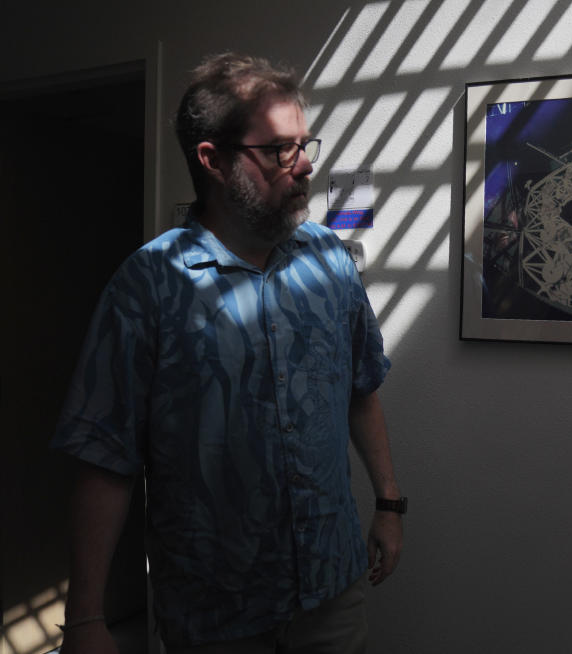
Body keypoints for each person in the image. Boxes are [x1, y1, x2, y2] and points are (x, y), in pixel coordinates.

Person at [52, 52, 404, 653]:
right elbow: (105, 456)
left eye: (305, 143)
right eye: (279, 149)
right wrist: (85, 616)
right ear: (212, 160)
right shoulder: (150, 285)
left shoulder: (330, 261)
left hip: (330, 586)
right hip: (215, 610)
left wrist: (390, 504)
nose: (306, 164)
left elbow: (360, 390)